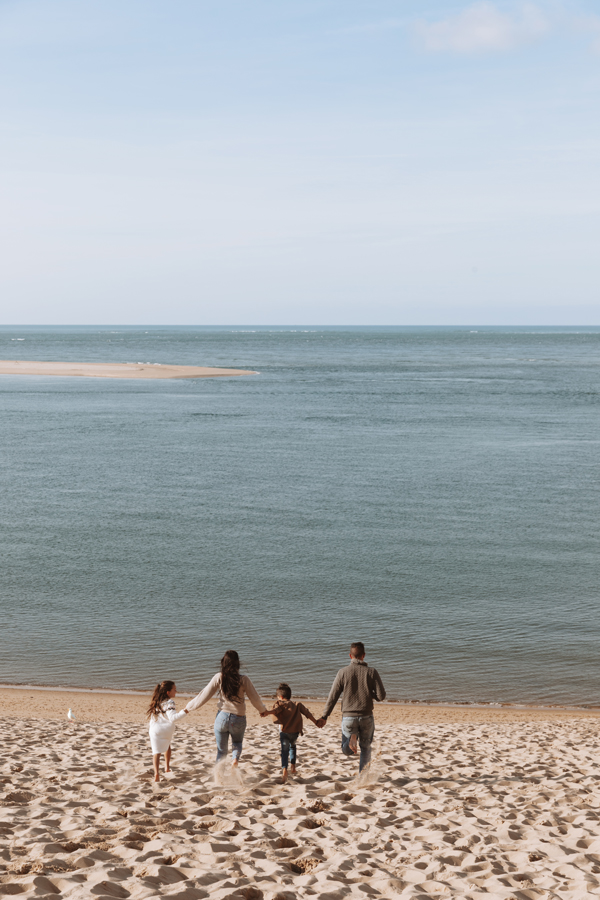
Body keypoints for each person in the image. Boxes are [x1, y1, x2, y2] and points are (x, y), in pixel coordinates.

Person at [184, 650, 267, 765]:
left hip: (222, 717)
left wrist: (189, 707)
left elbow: (204, 695)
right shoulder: (244, 679)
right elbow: (255, 698)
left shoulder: (219, 677)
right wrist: (262, 710)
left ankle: (219, 776)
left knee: (221, 751)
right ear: (238, 663)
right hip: (238, 718)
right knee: (237, 743)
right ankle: (235, 759)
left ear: (223, 662)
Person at [317, 642, 386, 771]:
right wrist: (370, 694)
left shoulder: (342, 672)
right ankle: (362, 777)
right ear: (363, 655)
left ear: (350, 656)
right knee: (365, 748)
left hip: (348, 718)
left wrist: (324, 716)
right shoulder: (371, 672)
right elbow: (381, 696)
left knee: (347, 751)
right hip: (366, 717)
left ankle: (351, 740)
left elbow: (333, 696)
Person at [260, 682, 321, 782]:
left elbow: (276, 711)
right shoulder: (297, 704)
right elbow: (308, 714)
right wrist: (316, 722)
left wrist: (266, 712)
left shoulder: (280, 704)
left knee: (284, 751)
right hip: (295, 733)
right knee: (293, 747)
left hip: (284, 732)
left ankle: (284, 769)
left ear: (280, 696)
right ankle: (293, 766)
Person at [147, 680, 188, 782]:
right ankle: (167, 767)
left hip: (155, 730)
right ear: (168, 692)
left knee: (156, 752)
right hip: (166, 730)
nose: (176, 691)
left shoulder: (156, 701)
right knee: (167, 745)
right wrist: (185, 711)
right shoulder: (170, 702)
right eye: (174, 689)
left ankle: (156, 774)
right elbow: (173, 717)